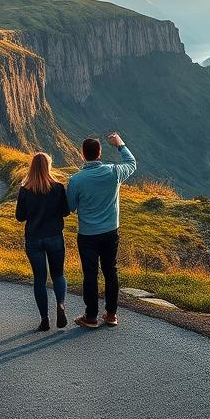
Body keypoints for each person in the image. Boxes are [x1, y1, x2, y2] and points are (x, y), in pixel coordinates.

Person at [66, 131, 136, 328]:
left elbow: (70, 207)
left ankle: (91, 317)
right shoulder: (113, 172)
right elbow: (132, 163)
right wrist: (120, 143)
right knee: (110, 271)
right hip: (110, 232)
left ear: (83, 154)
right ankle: (112, 314)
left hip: (87, 234)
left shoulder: (76, 180)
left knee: (90, 274)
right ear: (99, 152)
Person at [15, 152, 70, 332]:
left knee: (40, 279)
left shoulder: (25, 190)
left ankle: (44, 319)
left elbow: (19, 217)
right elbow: (65, 211)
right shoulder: (58, 188)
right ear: (48, 166)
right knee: (58, 275)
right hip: (54, 236)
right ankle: (60, 304)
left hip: (34, 239)